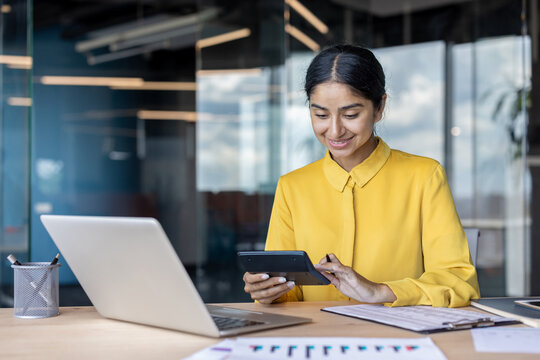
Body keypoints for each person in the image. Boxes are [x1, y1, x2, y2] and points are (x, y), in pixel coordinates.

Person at [242, 44, 480, 307]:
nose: (334, 130)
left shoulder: (424, 177)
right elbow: (290, 290)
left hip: (398, 339)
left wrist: (380, 291)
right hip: (318, 339)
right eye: (320, 114)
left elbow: (458, 282)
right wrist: (269, 290)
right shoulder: (292, 187)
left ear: (379, 107)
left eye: (351, 114)